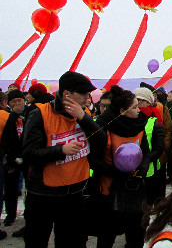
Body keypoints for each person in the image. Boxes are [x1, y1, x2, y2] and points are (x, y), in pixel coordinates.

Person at [22, 71, 104, 248]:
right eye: (83, 94)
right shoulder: (40, 114)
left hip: (75, 194)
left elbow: (101, 140)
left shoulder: (83, 114)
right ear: (67, 94)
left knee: (72, 242)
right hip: (43, 195)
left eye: (88, 94)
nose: (87, 98)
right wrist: (61, 150)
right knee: (36, 240)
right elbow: (29, 153)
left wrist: (84, 118)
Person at [89, 85, 159, 247]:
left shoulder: (139, 125)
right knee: (107, 236)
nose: (138, 110)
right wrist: (116, 172)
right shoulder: (104, 128)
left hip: (135, 190)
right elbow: (93, 160)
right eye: (134, 107)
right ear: (122, 110)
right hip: (109, 191)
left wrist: (142, 169)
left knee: (136, 235)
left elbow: (145, 152)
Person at [134, 87, 166, 206]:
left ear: (148, 102)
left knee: (147, 202)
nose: (137, 103)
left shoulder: (155, 121)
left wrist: (144, 160)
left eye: (140, 100)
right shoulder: (130, 118)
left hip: (150, 168)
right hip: (132, 168)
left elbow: (159, 148)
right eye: (135, 99)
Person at [2, 90, 26, 229]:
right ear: (9, 103)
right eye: (14, 101)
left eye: (20, 100)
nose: (18, 104)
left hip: (27, 157)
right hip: (12, 158)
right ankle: (10, 215)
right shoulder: (8, 117)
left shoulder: (31, 114)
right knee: (10, 189)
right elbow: (5, 138)